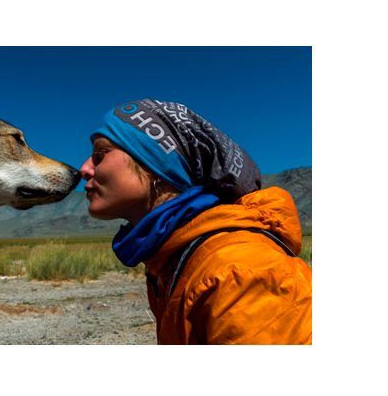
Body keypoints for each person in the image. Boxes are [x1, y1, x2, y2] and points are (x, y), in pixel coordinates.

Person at [80, 99, 312, 345]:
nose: (84, 168)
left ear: (157, 168)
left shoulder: (240, 273)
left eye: (100, 154)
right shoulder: (172, 259)